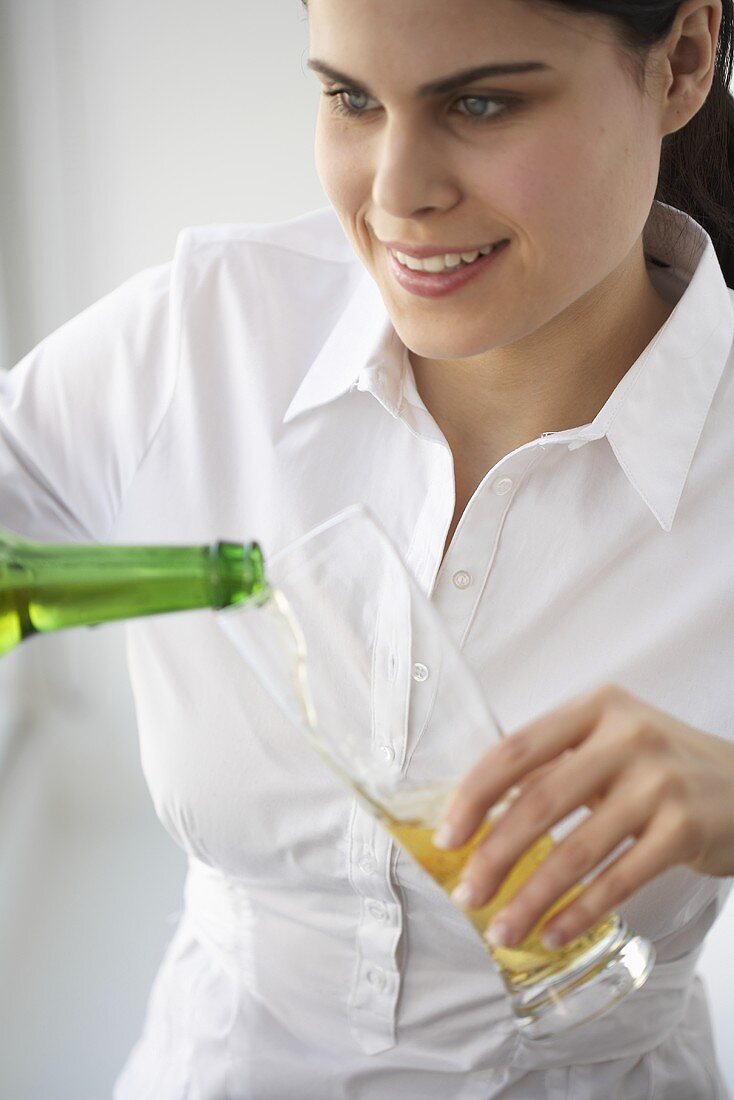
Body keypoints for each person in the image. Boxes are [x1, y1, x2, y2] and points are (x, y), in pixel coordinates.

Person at [2, 0, 734, 1095]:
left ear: (679, 60)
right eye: (350, 97)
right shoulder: (197, 342)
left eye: (480, 102)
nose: (394, 195)